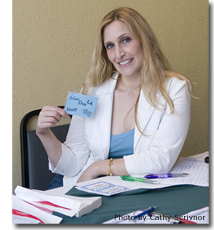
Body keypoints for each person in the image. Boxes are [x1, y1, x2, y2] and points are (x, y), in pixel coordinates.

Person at [36, 7, 192, 188]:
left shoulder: (176, 89)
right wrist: (44, 134)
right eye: (110, 45)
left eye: (125, 40)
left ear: (144, 41)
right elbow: (72, 166)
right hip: (81, 186)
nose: (118, 54)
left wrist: (100, 167)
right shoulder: (90, 92)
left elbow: (161, 159)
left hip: (131, 188)